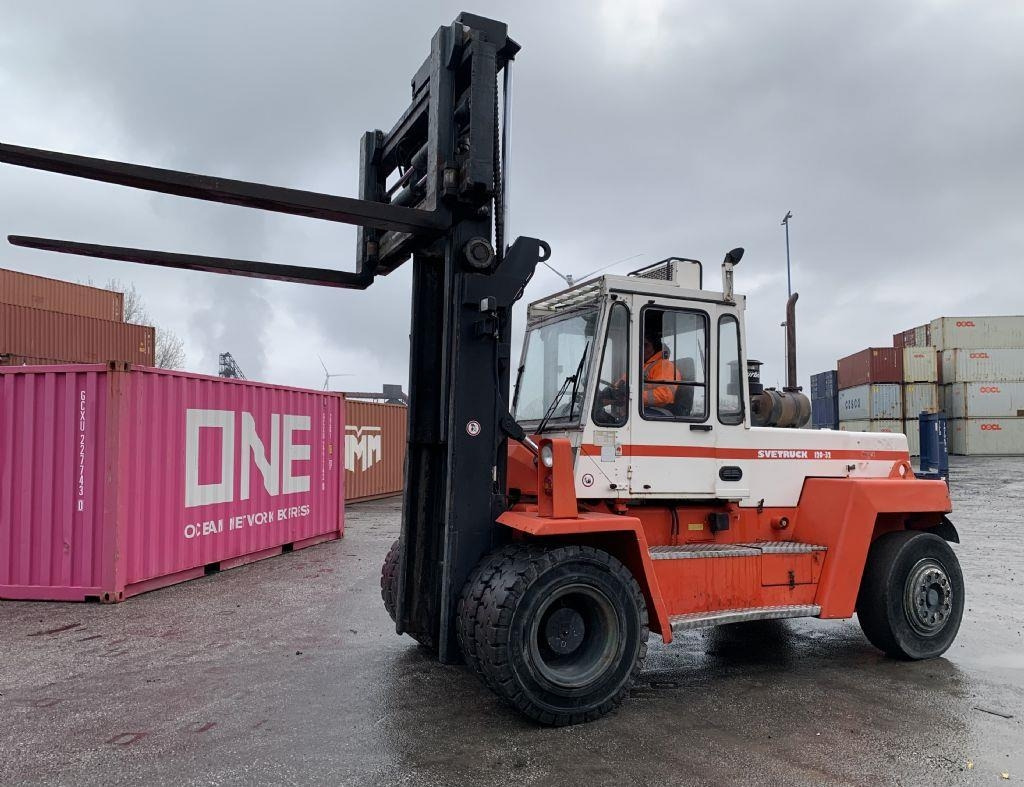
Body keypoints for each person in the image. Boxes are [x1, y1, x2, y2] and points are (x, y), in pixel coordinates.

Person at [641, 327, 682, 411]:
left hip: (658, 412)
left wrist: (634, 397)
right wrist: (612, 393)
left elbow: (665, 395)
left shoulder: (665, 365)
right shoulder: (637, 367)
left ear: (655, 347)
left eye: (646, 345)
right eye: (641, 345)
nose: (642, 349)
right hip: (640, 410)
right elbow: (620, 385)